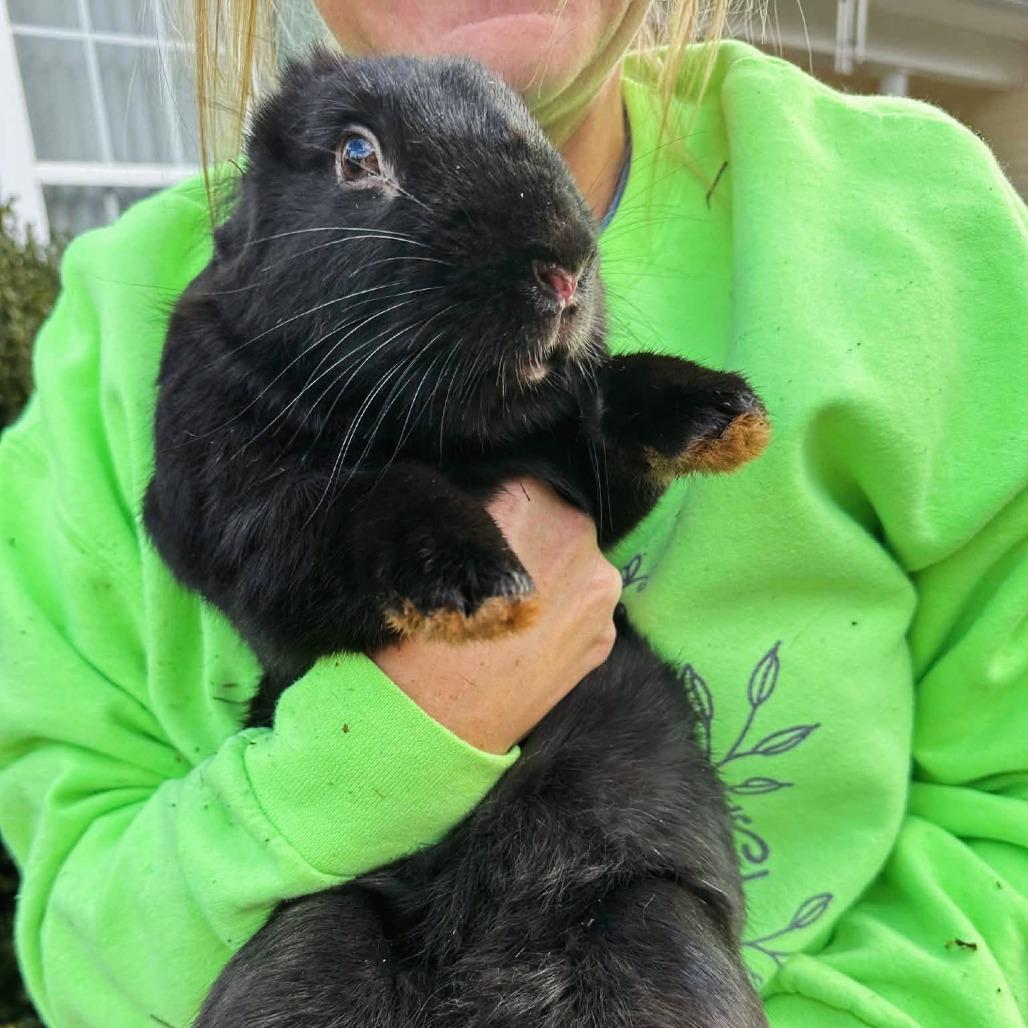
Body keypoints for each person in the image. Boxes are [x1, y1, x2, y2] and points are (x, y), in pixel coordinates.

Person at [1, 1, 1025, 1025]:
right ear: (266, 200)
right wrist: (403, 726)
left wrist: (621, 426)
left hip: (626, 873)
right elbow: (85, 921)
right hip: (353, 918)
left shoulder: (918, 232)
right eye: (360, 154)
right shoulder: (160, 343)